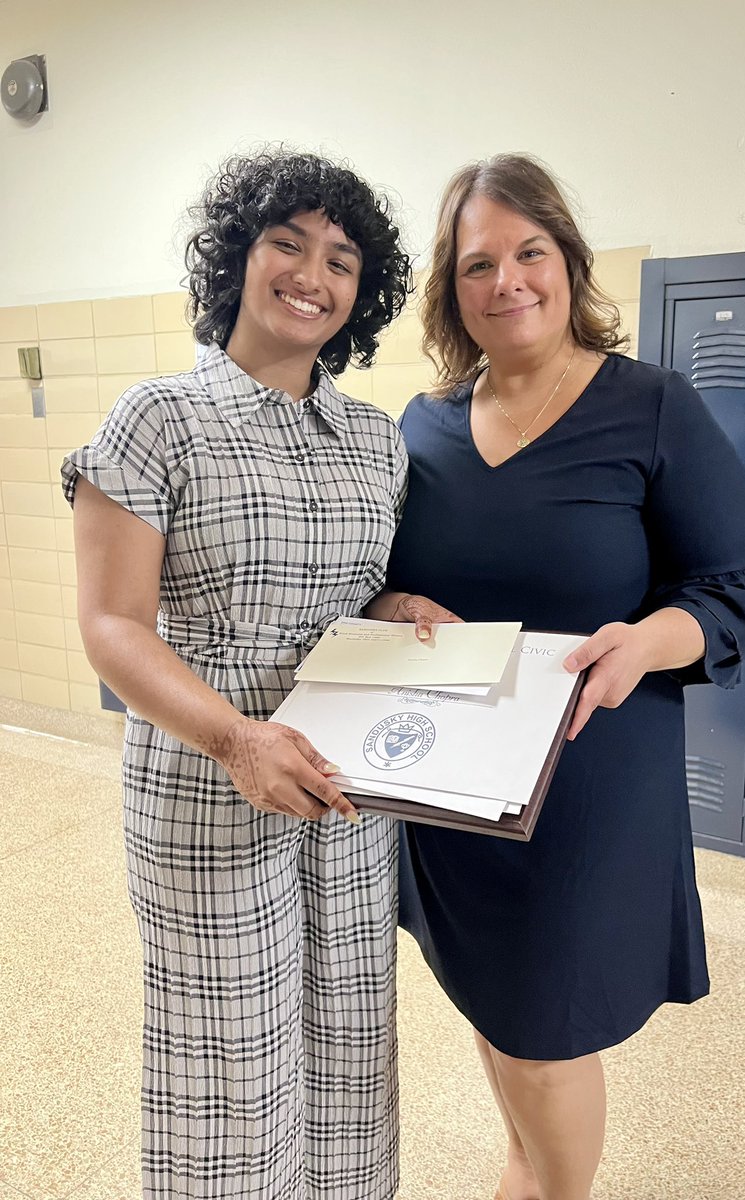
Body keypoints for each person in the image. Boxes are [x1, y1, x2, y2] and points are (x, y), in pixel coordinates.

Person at [382, 154, 745, 1200]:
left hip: (591, 788)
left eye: (529, 252)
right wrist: (391, 607)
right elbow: (386, 585)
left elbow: (734, 590)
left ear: (567, 262)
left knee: (543, 1031)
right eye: (478, 264)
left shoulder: (651, 407)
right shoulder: (422, 428)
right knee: (494, 1009)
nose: (506, 280)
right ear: (450, 289)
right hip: (460, 797)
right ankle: (521, 1165)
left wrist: (646, 641)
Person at [63, 149, 428, 1200]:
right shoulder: (158, 417)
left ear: (362, 294)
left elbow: (354, 600)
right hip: (205, 786)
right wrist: (236, 738)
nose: (313, 272)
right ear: (239, 258)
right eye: (287, 242)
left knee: (352, 1046)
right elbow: (113, 626)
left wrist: (393, 610)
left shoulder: (375, 440)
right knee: (228, 1069)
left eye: (342, 258)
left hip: (347, 790)